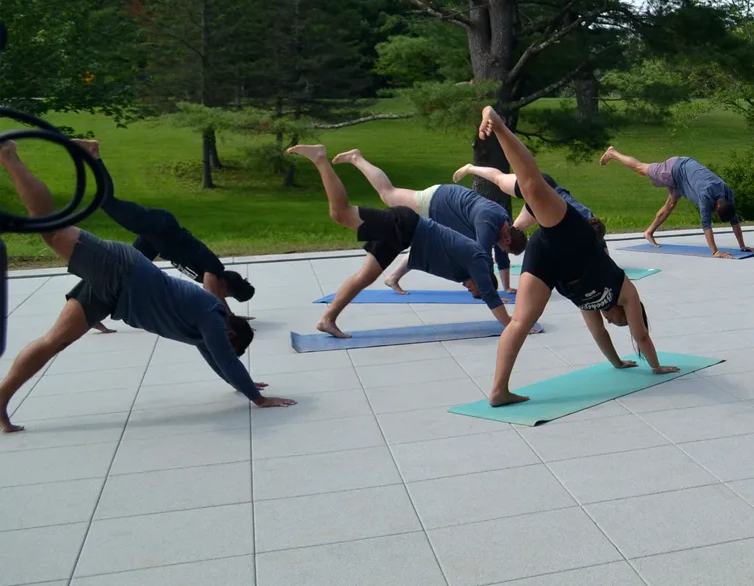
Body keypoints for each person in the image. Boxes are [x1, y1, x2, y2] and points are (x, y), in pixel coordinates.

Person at [0, 142, 294, 433]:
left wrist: (238, 384)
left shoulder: (203, 332)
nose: (220, 348)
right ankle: (10, 156)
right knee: (51, 229)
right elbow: (225, 358)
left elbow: (218, 359)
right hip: (123, 267)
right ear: (229, 333)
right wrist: (258, 398)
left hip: (114, 296)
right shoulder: (212, 315)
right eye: (228, 344)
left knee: (54, 342)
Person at [478, 108, 675, 407]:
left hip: (547, 256)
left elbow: (599, 337)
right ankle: (498, 125)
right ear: (627, 314)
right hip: (573, 236)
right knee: (532, 186)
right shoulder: (625, 292)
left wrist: (618, 363)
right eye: (620, 323)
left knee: (520, 320)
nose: (614, 323)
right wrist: (656, 366)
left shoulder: (591, 304)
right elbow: (642, 336)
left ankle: (498, 391)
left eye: (616, 325)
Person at [284, 145, 514, 338]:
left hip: (404, 236)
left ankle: (327, 319)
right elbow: (490, 295)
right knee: (341, 213)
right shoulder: (477, 261)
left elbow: (427, 257)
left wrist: (395, 278)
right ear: (482, 280)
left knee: (365, 277)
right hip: (404, 224)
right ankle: (320, 158)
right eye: (474, 289)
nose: (468, 288)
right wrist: (514, 325)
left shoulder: (461, 273)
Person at [71, 141, 255, 327]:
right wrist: (229, 318)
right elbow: (211, 295)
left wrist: (230, 314)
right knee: (107, 201)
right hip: (160, 227)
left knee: (122, 271)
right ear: (224, 284)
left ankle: (88, 310)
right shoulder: (212, 268)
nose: (223, 297)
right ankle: (94, 154)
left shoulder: (212, 275)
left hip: (154, 242)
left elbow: (216, 296)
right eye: (226, 294)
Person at [329, 148, 526, 293]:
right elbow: (479, 259)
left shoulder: (505, 223)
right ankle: (357, 158)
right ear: (507, 240)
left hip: (453, 210)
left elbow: (499, 257)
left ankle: (393, 277)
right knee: (388, 194)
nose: (501, 250)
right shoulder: (489, 223)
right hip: (438, 202)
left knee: (422, 241)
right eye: (504, 248)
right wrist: (491, 294)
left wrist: (506, 287)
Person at [599, 147, 751, 257]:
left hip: (684, 179)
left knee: (670, 205)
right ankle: (613, 153)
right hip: (674, 169)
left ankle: (648, 232)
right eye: (715, 212)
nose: (713, 213)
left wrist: (742, 246)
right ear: (717, 205)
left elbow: (734, 220)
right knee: (641, 168)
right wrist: (716, 252)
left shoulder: (727, 194)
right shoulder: (706, 195)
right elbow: (706, 225)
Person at [453, 163, 608, 253]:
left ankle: (499, 243)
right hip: (538, 188)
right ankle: (470, 168)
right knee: (498, 179)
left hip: (541, 206)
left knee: (516, 230)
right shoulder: (578, 222)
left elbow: (601, 245)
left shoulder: (590, 223)